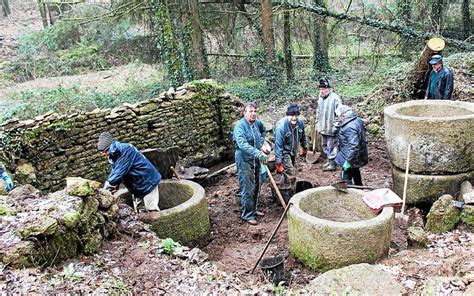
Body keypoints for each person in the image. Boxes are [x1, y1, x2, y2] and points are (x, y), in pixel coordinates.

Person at [98, 131, 161, 211]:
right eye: (101, 152)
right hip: (137, 185)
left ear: (110, 147)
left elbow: (119, 172)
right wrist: (114, 188)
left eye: (104, 151)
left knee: (151, 208)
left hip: (148, 181)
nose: (103, 154)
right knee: (138, 210)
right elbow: (117, 173)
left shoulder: (126, 150)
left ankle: (160, 222)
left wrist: (107, 187)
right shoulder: (114, 155)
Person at [233, 102, 268, 225]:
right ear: (244, 113)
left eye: (255, 111)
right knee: (248, 187)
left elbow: (264, 132)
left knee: (257, 184)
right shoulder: (239, 126)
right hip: (244, 159)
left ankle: (254, 209)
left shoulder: (257, 124)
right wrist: (258, 153)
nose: (253, 114)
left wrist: (262, 144)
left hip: (256, 158)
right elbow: (242, 144)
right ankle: (247, 215)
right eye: (250, 111)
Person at [274, 103, 308, 202]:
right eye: (291, 115)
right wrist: (278, 163)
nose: (294, 118)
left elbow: (303, 136)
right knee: (291, 172)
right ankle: (290, 195)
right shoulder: (281, 127)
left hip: (293, 150)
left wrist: (305, 147)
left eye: (296, 115)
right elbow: (278, 146)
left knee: (287, 173)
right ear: (287, 115)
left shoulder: (300, 123)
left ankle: (283, 189)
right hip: (284, 152)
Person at [334, 105, 368, 186]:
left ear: (344, 115)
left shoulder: (349, 127)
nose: (340, 118)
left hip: (350, 156)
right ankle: (359, 187)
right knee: (356, 172)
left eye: (340, 116)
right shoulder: (357, 120)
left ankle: (349, 192)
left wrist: (348, 161)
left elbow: (354, 146)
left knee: (346, 177)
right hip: (358, 155)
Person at [316, 77, 342, 171]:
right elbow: (318, 111)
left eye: (323, 89)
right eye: (320, 89)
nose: (321, 91)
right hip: (323, 127)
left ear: (328, 88)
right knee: (325, 145)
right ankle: (329, 160)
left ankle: (333, 163)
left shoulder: (335, 98)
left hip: (331, 127)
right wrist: (317, 123)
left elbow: (340, 114)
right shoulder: (320, 98)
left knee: (332, 146)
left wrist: (336, 125)